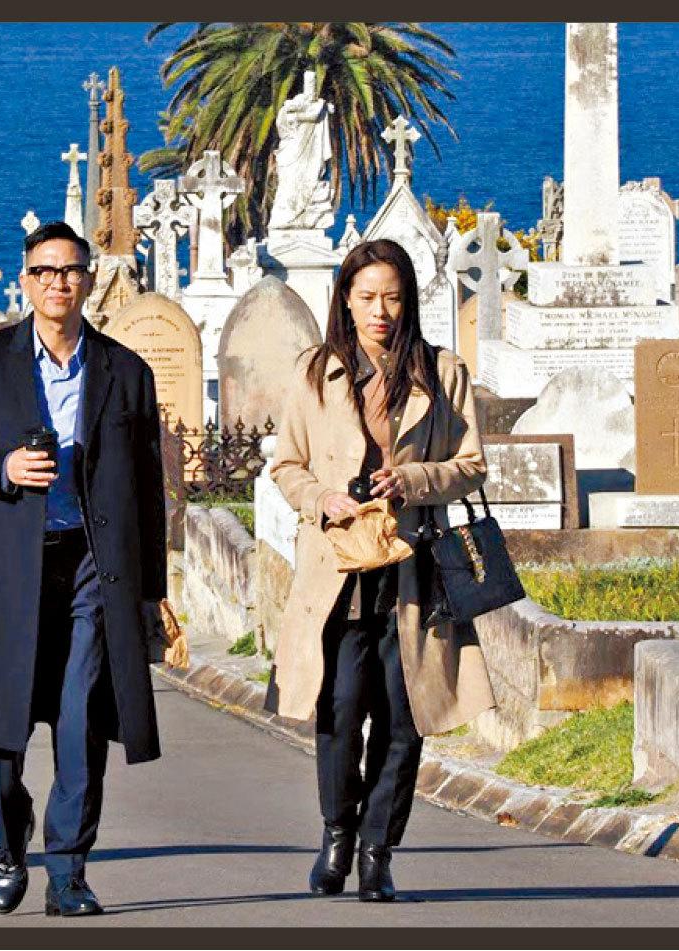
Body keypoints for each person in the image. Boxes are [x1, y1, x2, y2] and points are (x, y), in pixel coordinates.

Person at [0, 221, 167, 918]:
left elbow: (148, 489)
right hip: (9, 568)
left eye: (70, 270)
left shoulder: (126, 371)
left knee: (81, 722)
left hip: (93, 566)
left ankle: (68, 872)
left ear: (88, 280)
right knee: (0, 728)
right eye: (44, 271)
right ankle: (9, 839)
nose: (58, 282)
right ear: (25, 281)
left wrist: (152, 593)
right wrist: (3, 466)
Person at [267, 238, 496, 902]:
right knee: (340, 708)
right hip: (338, 569)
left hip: (413, 568)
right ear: (345, 299)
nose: (380, 311)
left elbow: (471, 464)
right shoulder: (316, 372)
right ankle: (337, 832)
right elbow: (287, 464)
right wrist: (322, 498)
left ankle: (377, 851)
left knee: (403, 714)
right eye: (367, 297)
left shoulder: (442, 372)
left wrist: (414, 478)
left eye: (392, 298)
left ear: (409, 301)